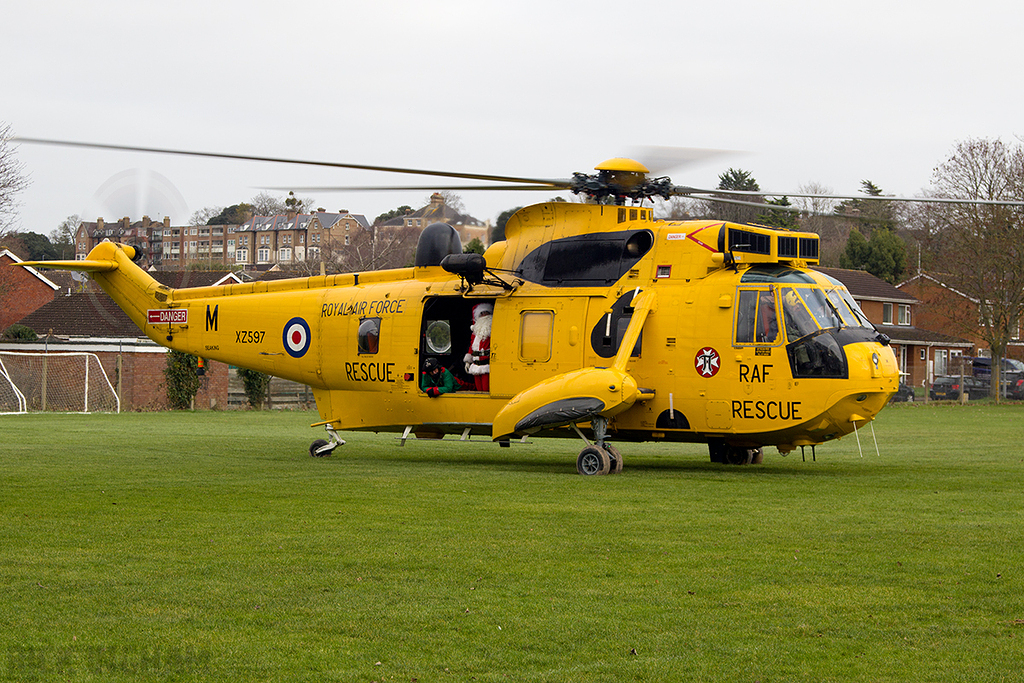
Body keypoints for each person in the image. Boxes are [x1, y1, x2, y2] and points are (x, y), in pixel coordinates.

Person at [464, 302, 492, 391]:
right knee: (479, 389)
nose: (484, 315)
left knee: (486, 389)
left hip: (487, 364)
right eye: (482, 313)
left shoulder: (491, 330)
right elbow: (471, 347)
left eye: (486, 313)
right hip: (476, 363)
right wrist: (468, 361)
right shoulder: (475, 333)